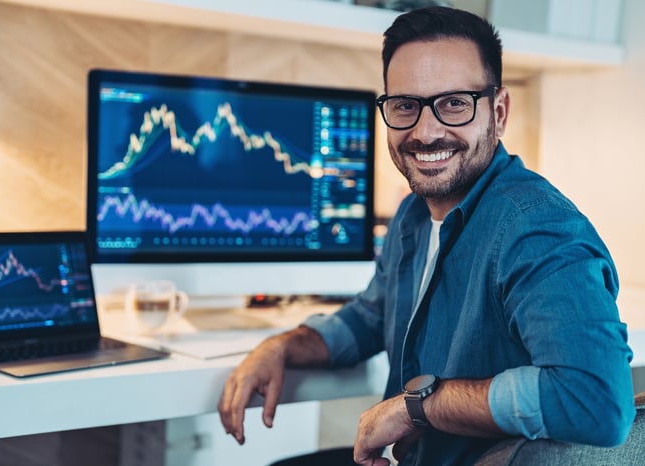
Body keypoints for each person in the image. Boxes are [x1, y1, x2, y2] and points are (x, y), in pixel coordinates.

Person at [217, 6, 635, 466]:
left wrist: (419, 407)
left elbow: (597, 399)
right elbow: (372, 316)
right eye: (405, 106)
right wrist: (282, 345)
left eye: (454, 103)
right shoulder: (414, 213)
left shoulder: (534, 227)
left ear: (498, 111)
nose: (425, 131)